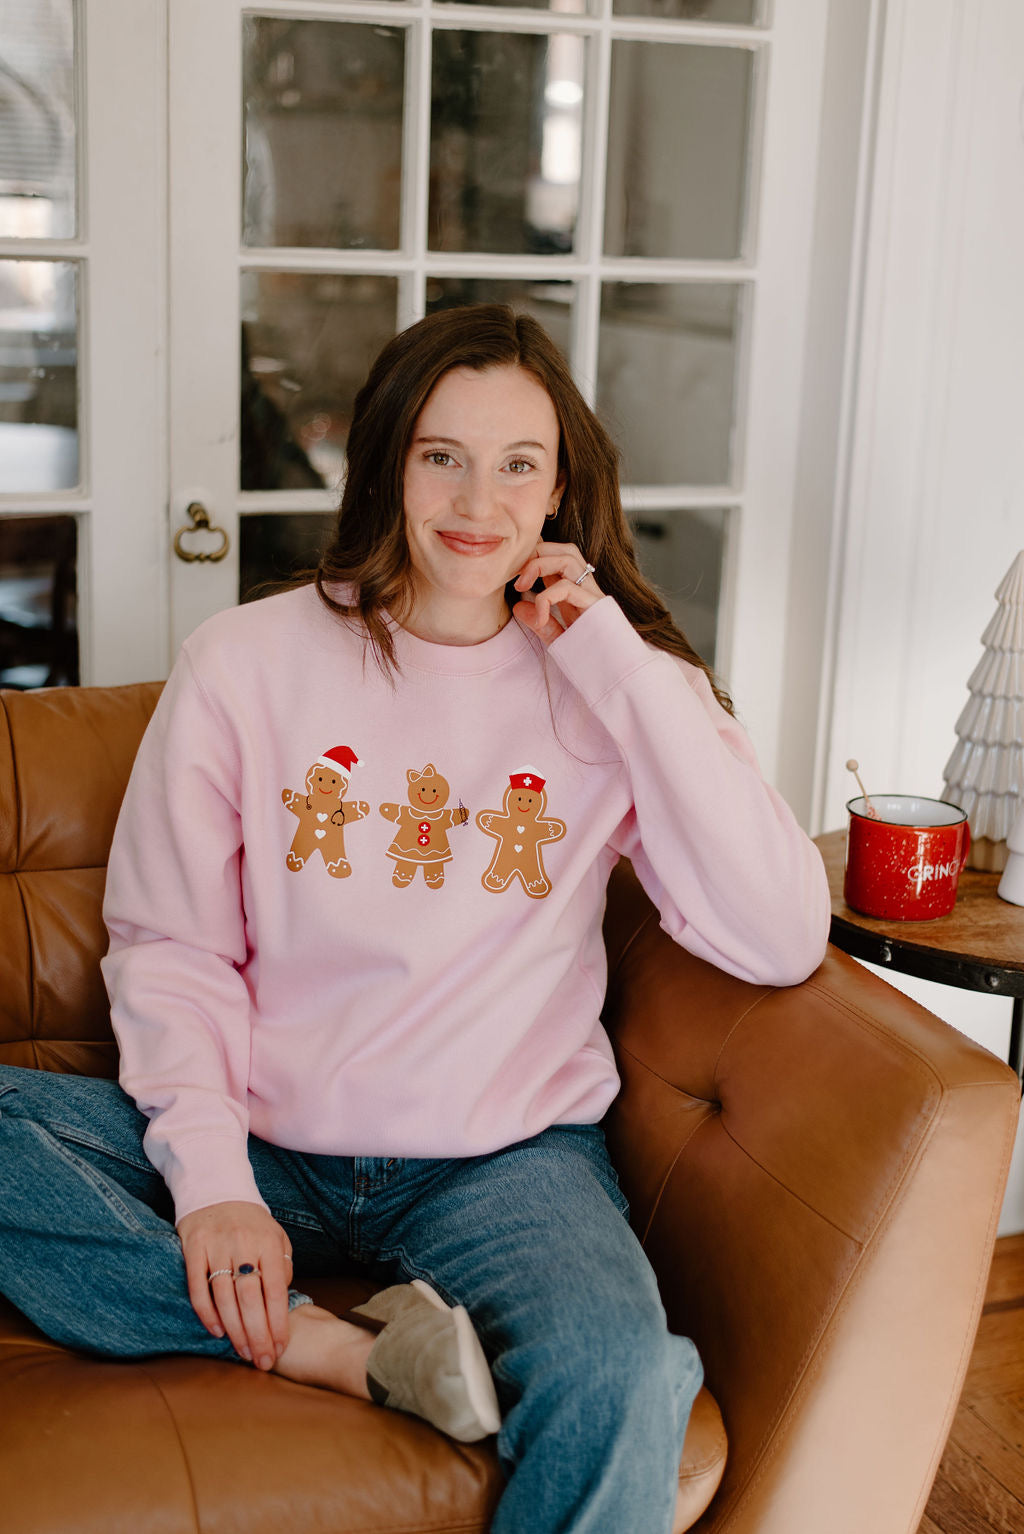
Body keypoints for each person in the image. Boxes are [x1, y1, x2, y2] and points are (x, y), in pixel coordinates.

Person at [0, 305, 831, 1533]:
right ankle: (325, 1346)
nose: (475, 500)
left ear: (561, 491)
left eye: (517, 464)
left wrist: (611, 658)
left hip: (505, 1160)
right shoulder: (245, 661)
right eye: (442, 454)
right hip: (271, 1137)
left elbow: (778, 933)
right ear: (387, 458)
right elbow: (170, 944)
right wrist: (214, 1178)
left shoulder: (614, 684)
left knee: (618, 1375)